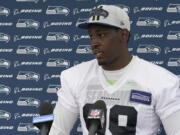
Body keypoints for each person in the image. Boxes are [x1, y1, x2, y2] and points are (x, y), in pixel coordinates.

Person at [49, 4, 180, 135]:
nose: (94, 43)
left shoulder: (161, 81)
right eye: (91, 36)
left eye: (101, 35)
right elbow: (57, 130)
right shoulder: (74, 76)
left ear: (123, 35)